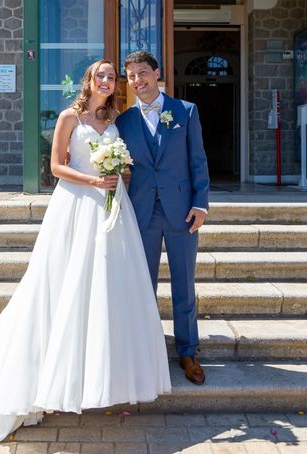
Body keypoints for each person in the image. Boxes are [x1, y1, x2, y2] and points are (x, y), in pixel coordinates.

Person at [0, 59, 171, 454]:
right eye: (100, 74)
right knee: (67, 286)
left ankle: (107, 375)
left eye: (111, 76)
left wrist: (120, 176)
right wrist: (94, 179)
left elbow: (129, 164)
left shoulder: (117, 117)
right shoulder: (70, 116)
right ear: (88, 80)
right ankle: (56, 377)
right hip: (76, 205)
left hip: (112, 207)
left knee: (109, 286)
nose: (106, 80)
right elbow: (55, 167)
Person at [116, 51, 210, 385]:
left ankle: (188, 351)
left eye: (143, 72)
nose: (137, 80)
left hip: (183, 210)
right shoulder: (124, 121)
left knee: (184, 283)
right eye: (131, 76)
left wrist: (201, 204)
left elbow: (198, 160)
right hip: (143, 211)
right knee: (145, 285)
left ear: (157, 73)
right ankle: (148, 351)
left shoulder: (185, 111)